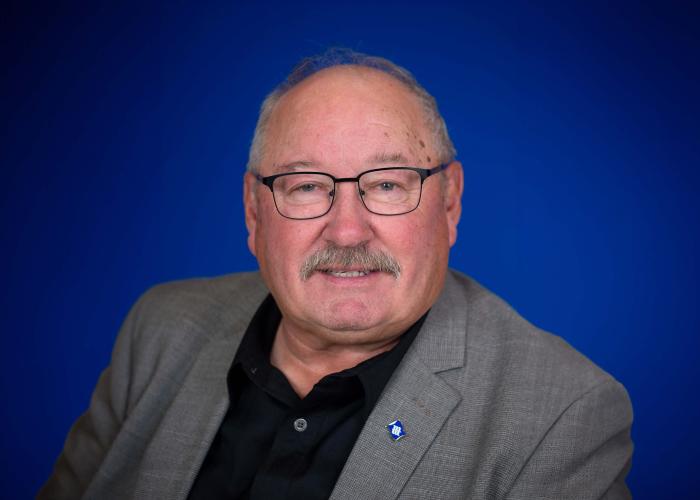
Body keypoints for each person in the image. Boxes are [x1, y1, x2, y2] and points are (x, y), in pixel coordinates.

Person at [39, 49, 633, 499]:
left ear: (449, 204)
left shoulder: (562, 416)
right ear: (253, 214)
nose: (347, 232)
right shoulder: (160, 330)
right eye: (304, 187)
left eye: (388, 184)